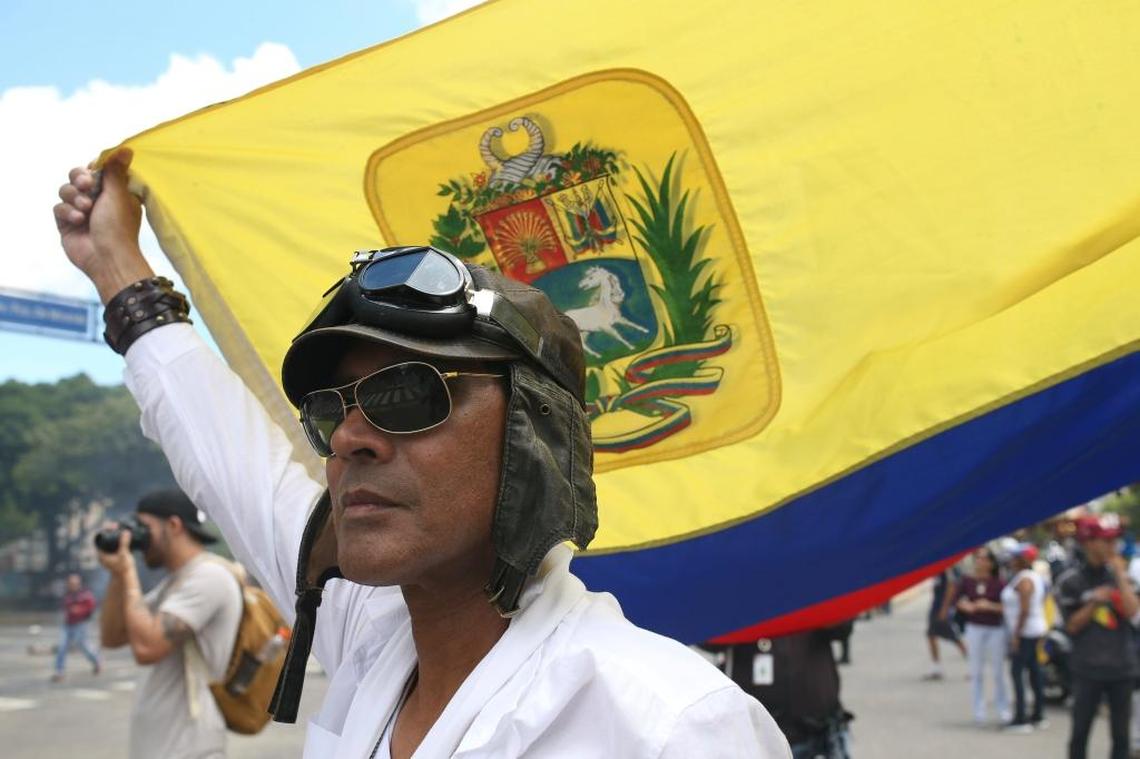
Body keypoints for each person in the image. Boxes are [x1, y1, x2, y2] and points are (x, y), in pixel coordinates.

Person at [54, 150, 790, 757]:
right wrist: (118, 268)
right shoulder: (373, 640)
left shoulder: (671, 727)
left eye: (409, 395)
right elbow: (228, 456)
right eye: (329, 409)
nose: (349, 438)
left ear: (536, 437)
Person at [97, 489, 243, 759]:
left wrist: (128, 571)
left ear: (174, 526)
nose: (137, 537)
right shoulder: (174, 583)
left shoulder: (209, 576)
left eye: (144, 528)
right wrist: (117, 575)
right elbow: (113, 636)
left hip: (191, 749)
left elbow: (147, 648)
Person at [701, 622, 855, 758]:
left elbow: (843, 628)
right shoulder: (738, 594)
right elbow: (708, 640)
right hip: (759, 734)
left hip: (820, 728)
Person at [1056, 514, 1140, 759]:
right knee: (1080, 734)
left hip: (1122, 668)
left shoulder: (1124, 577)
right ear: (1089, 543)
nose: (1112, 546)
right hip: (1087, 668)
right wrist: (1094, 601)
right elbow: (1071, 626)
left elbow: (1133, 612)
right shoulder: (1070, 580)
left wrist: (1120, 577)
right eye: (1106, 541)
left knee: (1121, 738)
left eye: (1114, 541)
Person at [945, 545, 1009, 726]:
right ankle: (978, 711)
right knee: (976, 671)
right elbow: (957, 600)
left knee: (997, 671)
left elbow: (1007, 606)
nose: (980, 562)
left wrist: (989, 606)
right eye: (978, 559)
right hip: (975, 627)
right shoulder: (967, 580)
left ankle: (1002, 707)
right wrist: (967, 607)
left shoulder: (999, 583)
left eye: (984, 559)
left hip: (994, 628)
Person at [1000, 542, 1048, 732]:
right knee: (1034, 671)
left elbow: (1024, 609)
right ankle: (1037, 714)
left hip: (1026, 632)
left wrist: (1017, 635)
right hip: (1033, 630)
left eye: (1014, 557)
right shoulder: (1031, 577)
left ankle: (1021, 718)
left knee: (1017, 673)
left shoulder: (1025, 580)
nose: (1011, 561)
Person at [50, 572, 101, 682]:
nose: (72, 585)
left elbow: (91, 607)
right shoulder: (67, 595)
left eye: (74, 583)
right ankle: (59, 671)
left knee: (83, 645)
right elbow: (64, 608)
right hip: (68, 624)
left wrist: (79, 610)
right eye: (70, 583)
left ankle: (96, 660)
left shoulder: (85, 594)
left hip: (81, 624)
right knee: (62, 646)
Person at [923, 566, 967, 681]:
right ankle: (936, 667)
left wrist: (945, 609)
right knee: (931, 635)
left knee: (954, 637)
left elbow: (951, 586)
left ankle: (973, 665)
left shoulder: (947, 567)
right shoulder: (938, 566)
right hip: (936, 605)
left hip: (942, 608)